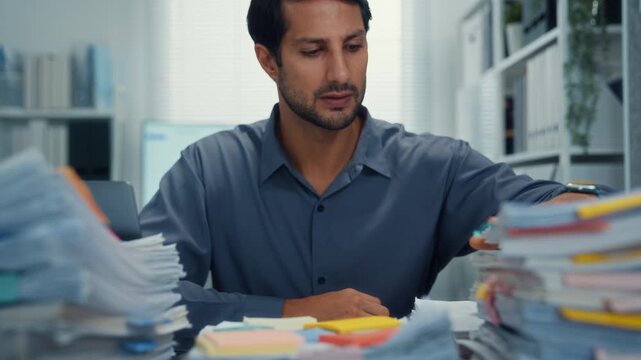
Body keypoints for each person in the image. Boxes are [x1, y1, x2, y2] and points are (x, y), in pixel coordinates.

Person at [139, 0, 594, 351]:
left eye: (353, 46)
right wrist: (292, 312)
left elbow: (560, 202)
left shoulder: (436, 166)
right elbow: (139, 298)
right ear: (268, 61)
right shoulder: (207, 169)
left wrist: (568, 213)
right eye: (313, 50)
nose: (340, 73)